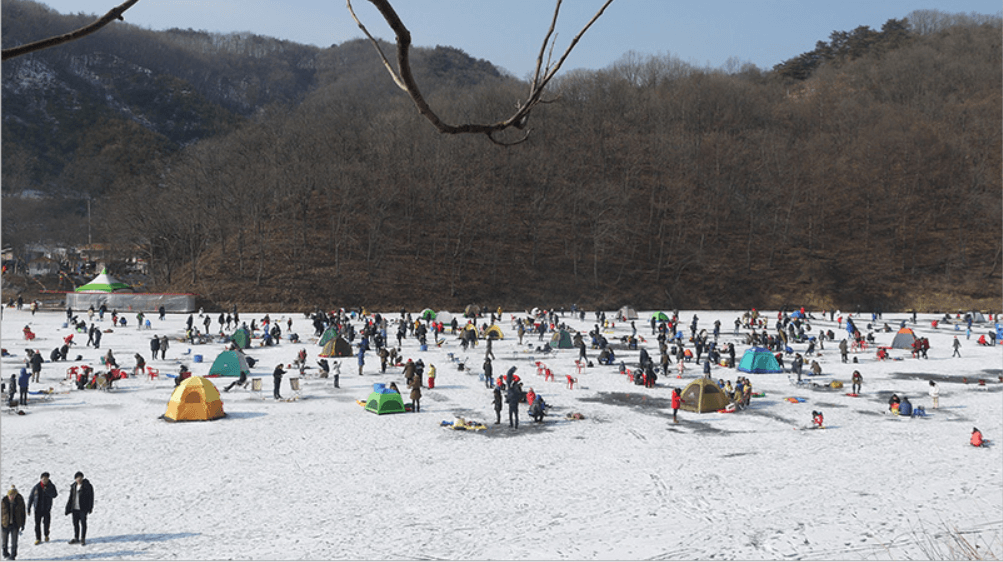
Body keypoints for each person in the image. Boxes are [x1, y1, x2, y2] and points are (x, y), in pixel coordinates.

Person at [27, 473, 57, 545]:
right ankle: (38, 538)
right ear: (41, 479)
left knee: (46, 523)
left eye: (46, 479)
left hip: (47, 508)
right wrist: (28, 508)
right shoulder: (36, 487)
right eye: (43, 479)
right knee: (37, 524)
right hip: (38, 508)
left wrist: (48, 491)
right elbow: (31, 497)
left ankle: (46, 535)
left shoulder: (51, 486)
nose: (44, 480)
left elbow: (55, 495)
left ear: (48, 479)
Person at [64, 472, 93, 546]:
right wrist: (68, 508)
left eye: (80, 478)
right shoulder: (73, 486)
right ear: (75, 479)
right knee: (75, 523)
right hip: (75, 508)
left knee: (83, 523)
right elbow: (71, 498)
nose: (79, 479)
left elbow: (91, 498)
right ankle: (76, 537)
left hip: (83, 508)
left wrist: (90, 507)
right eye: (77, 478)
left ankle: (83, 538)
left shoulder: (87, 486)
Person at [2, 486, 26, 560]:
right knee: (4, 541)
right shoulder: (4, 501)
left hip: (15, 524)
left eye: (13, 495)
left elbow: (23, 513)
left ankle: (13, 555)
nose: (12, 497)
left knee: (14, 542)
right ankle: (5, 553)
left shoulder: (19, 501)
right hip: (5, 524)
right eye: (10, 495)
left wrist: (22, 524)